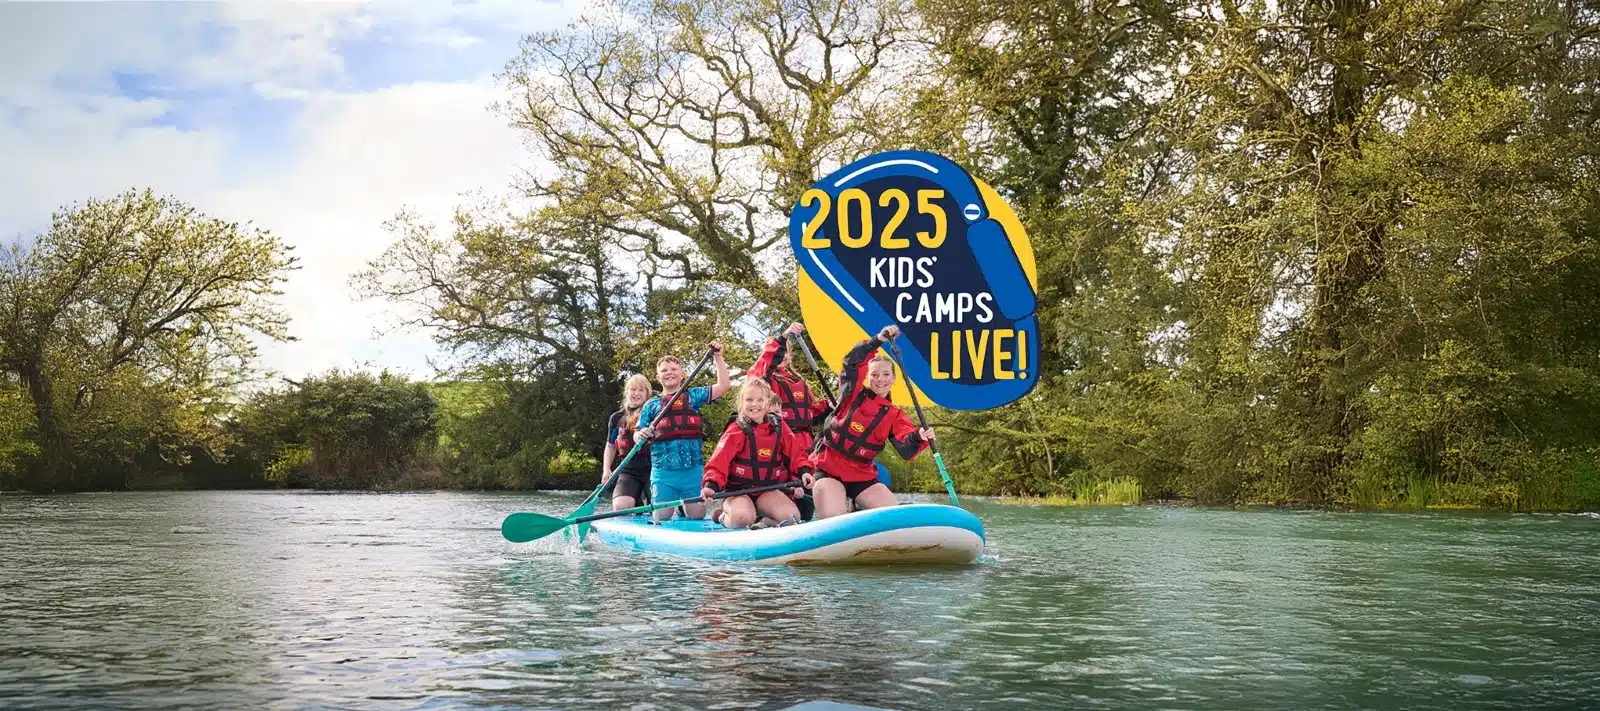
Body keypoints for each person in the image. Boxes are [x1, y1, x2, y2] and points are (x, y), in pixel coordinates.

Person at [804, 325, 934, 519]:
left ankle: (857, 506)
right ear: (868, 377)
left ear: (894, 379)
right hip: (828, 469)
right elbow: (851, 362)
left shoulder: (895, 415)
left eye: (886, 374)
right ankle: (846, 506)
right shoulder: (852, 393)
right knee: (835, 518)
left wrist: (919, 436)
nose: (880, 380)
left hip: (862, 477)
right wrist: (877, 340)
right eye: (874, 374)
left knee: (896, 518)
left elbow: (906, 447)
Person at [636, 343, 731, 521]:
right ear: (658, 377)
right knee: (661, 517)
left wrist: (718, 357)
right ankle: (673, 505)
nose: (669, 372)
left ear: (682, 374)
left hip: (692, 470)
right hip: (663, 472)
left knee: (697, 515)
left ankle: (682, 507)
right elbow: (638, 432)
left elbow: (724, 386)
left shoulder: (693, 396)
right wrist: (640, 435)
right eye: (664, 370)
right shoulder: (651, 404)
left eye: (674, 369)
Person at [700, 379, 810, 529]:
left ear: (768, 402)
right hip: (738, 491)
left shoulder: (779, 426)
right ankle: (723, 516)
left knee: (792, 518)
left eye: (760, 400)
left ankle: (763, 522)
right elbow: (719, 461)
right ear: (742, 402)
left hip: (767, 489)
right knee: (742, 519)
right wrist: (710, 485)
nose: (754, 405)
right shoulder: (736, 429)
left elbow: (796, 453)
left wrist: (804, 471)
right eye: (749, 400)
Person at [748, 322, 833, 452]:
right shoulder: (764, 378)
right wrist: (784, 337)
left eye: (786, 352)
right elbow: (766, 361)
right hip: (778, 439)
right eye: (780, 351)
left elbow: (810, 412)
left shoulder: (798, 381)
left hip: (805, 443)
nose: (783, 356)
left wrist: (828, 406)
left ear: (790, 355)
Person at [602, 373, 654, 512]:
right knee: (620, 506)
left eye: (641, 390)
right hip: (629, 470)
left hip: (654, 468)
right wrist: (606, 469)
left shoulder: (655, 414)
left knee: (660, 508)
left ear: (647, 394)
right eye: (633, 389)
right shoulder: (616, 418)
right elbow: (611, 445)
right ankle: (636, 507)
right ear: (627, 392)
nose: (636, 393)